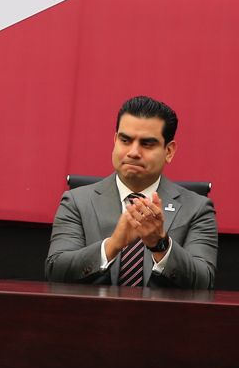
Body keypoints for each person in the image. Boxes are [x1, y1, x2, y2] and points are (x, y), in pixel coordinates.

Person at [44, 96, 217, 288]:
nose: (133, 152)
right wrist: (112, 245)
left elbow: (204, 282)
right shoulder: (77, 201)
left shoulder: (197, 208)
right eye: (125, 140)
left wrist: (160, 244)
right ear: (115, 140)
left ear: (169, 151)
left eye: (147, 144)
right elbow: (55, 271)